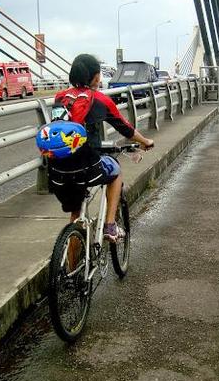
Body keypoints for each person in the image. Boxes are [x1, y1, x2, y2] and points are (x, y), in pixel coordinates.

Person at [47, 53, 154, 242]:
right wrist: (145, 141)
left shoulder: (61, 97)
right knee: (115, 170)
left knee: (76, 217)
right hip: (87, 167)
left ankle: (70, 268)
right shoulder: (101, 100)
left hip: (58, 169)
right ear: (96, 77)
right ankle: (110, 226)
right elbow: (126, 129)